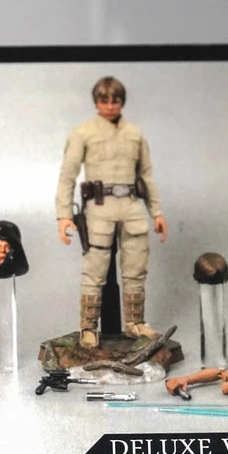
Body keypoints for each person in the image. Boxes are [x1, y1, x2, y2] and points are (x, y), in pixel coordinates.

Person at [55, 76, 167, 348]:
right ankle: (88, 327)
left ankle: (135, 323)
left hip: (131, 205)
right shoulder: (82, 132)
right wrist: (64, 215)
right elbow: (67, 175)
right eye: (103, 100)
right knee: (94, 270)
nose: (109, 105)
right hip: (99, 207)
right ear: (96, 102)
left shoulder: (135, 134)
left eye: (115, 100)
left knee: (136, 268)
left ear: (122, 101)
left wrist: (157, 212)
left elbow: (146, 175)